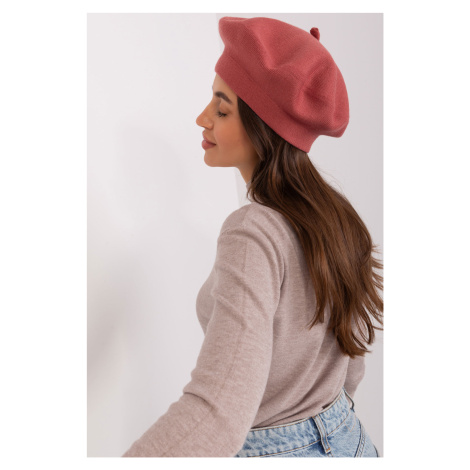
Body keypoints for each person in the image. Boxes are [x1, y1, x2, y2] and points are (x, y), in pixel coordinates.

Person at [122, 16, 383, 458]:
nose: (202, 118)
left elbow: (218, 412)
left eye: (222, 109)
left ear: (264, 127)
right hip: (350, 438)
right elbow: (350, 363)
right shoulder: (336, 217)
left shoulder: (252, 231)